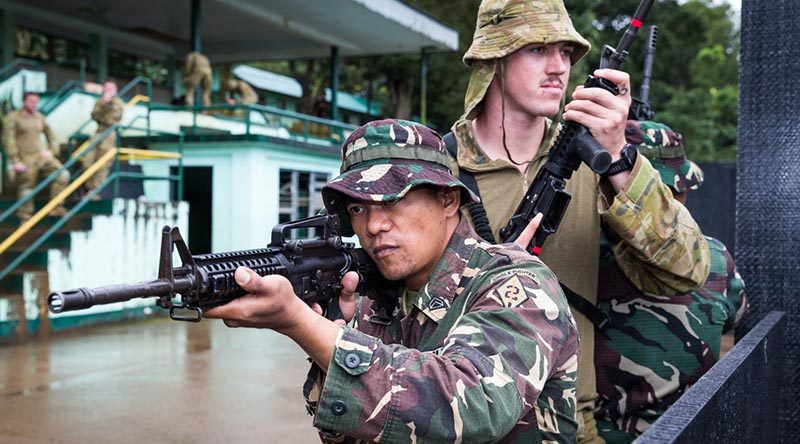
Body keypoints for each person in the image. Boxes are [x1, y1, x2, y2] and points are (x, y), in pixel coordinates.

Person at [205, 119, 581, 443]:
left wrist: (304, 326)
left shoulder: (516, 283)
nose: (373, 225)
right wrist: (332, 332)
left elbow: (475, 410)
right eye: (358, 208)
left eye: (393, 200)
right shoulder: (378, 297)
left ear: (448, 201)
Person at [448, 1, 711, 442]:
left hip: (570, 426)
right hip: (461, 422)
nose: (558, 67)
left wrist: (620, 160)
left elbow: (687, 270)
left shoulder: (597, 163)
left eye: (566, 53)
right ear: (492, 57)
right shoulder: (437, 170)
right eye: (536, 49)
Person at [593, 120, 747, 443]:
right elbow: (736, 316)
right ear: (683, 190)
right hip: (691, 432)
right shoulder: (716, 259)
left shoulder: (579, 257)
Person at [2, 92, 69, 221]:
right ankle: (25, 217)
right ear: (24, 102)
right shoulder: (13, 117)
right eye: (31, 101)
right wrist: (15, 160)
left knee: (63, 174)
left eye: (36, 102)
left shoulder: (39, 117)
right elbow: (8, 140)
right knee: (26, 187)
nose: (34, 104)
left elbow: (51, 135)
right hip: (24, 158)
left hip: (41, 156)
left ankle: (56, 207)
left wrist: (51, 150)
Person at [82, 80, 124, 198]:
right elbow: (94, 115)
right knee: (87, 161)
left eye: (111, 88)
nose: (108, 91)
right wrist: (103, 104)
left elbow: (111, 120)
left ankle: (95, 191)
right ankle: (88, 187)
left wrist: (105, 106)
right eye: (107, 88)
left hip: (109, 134)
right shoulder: (100, 102)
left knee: (103, 164)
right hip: (98, 132)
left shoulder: (118, 103)